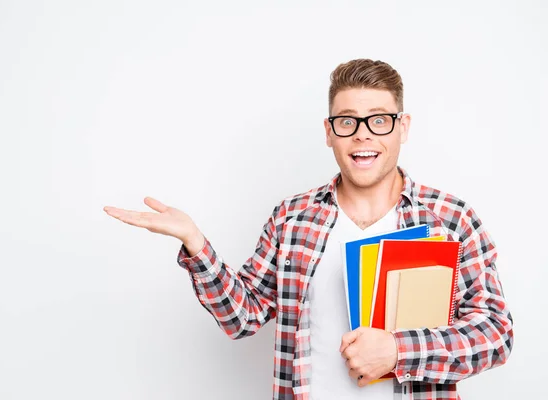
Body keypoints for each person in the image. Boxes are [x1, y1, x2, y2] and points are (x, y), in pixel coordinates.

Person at [103, 59, 514, 400]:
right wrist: (196, 244)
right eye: (347, 122)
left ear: (403, 127)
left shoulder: (451, 220)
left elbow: (496, 334)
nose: (363, 134)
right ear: (329, 132)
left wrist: (397, 351)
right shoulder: (291, 219)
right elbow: (242, 316)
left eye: (380, 120)